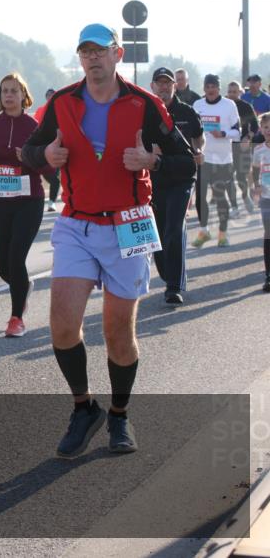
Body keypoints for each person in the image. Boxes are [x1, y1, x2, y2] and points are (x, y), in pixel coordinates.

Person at [21, 24, 195, 458]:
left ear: (117, 54)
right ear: (80, 59)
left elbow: (184, 162)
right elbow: (27, 152)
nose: (92, 58)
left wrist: (151, 159)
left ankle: (119, 414)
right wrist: (45, 156)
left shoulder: (146, 104)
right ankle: (84, 408)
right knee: (62, 326)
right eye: (85, 52)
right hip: (76, 224)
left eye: (100, 51)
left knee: (118, 332)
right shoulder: (62, 103)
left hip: (129, 224)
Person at [0, 72, 49, 337]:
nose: (8, 95)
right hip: (0, 201)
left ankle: (16, 318)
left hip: (29, 201)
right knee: (1, 262)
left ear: (23, 95)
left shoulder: (35, 128)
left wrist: (29, 159)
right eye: (4, 91)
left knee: (17, 257)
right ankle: (22, 285)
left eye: (14, 91)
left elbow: (49, 166)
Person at [149, 68, 202, 304]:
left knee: (174, 228)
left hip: (182, 176)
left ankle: (174, 286)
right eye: (159, 83)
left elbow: (199, 139)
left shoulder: (187, 112)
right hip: (157, 178)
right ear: (153, 86)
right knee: (159, 234)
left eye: (168, 83)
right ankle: (168, 273)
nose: (164, 87)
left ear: (175, 86)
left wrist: (200, 152)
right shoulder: (147, 112)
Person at [192, 74, 240, 248]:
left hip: (223, 160)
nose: (211, 90)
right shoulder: (197, 105)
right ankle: (204, 231)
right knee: (200, 198)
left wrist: (224, 134)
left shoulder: (229, 105)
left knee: (220, 198)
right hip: (203, 159)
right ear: (204, 89)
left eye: (214, 86)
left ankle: (223, 233)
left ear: (219, 88)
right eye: (208, 86)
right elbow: (192, 130)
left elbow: (238, 132)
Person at [226, 80, 259, 215]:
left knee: (240, 178)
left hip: (242, 146)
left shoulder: (246, 106)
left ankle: (245, 197)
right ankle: (234, 207)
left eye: (235, 92)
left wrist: (248, 137)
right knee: (227, 178)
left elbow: (255, 126)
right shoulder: (224, 106)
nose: (232, 94)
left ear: (240, 92)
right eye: (229, 92)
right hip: (226, 147)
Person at [251, 113, 270, 292]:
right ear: (261, 129)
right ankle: (268, 275)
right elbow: (255, 170)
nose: (269, 130)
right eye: (266, 127)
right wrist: (256, 185)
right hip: (266, 198)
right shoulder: (258, 150)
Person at [35, 89, 61, 211]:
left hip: (58, 147)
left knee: (55, 178)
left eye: (53, 96)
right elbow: (34, 128)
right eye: (49, 96)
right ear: (46, 98)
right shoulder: (40, 111)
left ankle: (51, 202)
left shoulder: (62, 110)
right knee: (49, 176)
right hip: (42, 149)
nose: (51, 99)